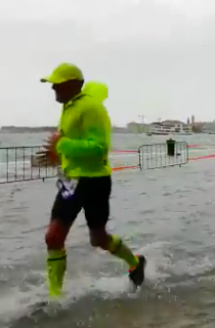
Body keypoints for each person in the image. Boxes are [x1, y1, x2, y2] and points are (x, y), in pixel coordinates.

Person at [38, 63, 146, 299]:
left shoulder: (92, 107)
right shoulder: (68, 107)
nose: (53, 87)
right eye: (53, 83)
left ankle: (135, 262)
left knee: (98, 239)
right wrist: (54, 156)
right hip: (71, 182)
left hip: (95, 182)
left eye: (58, 83)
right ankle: (55, 298)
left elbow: (99, 148)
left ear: (75, 84)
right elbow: (70, 142)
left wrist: (61, 144)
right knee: (53, 237)